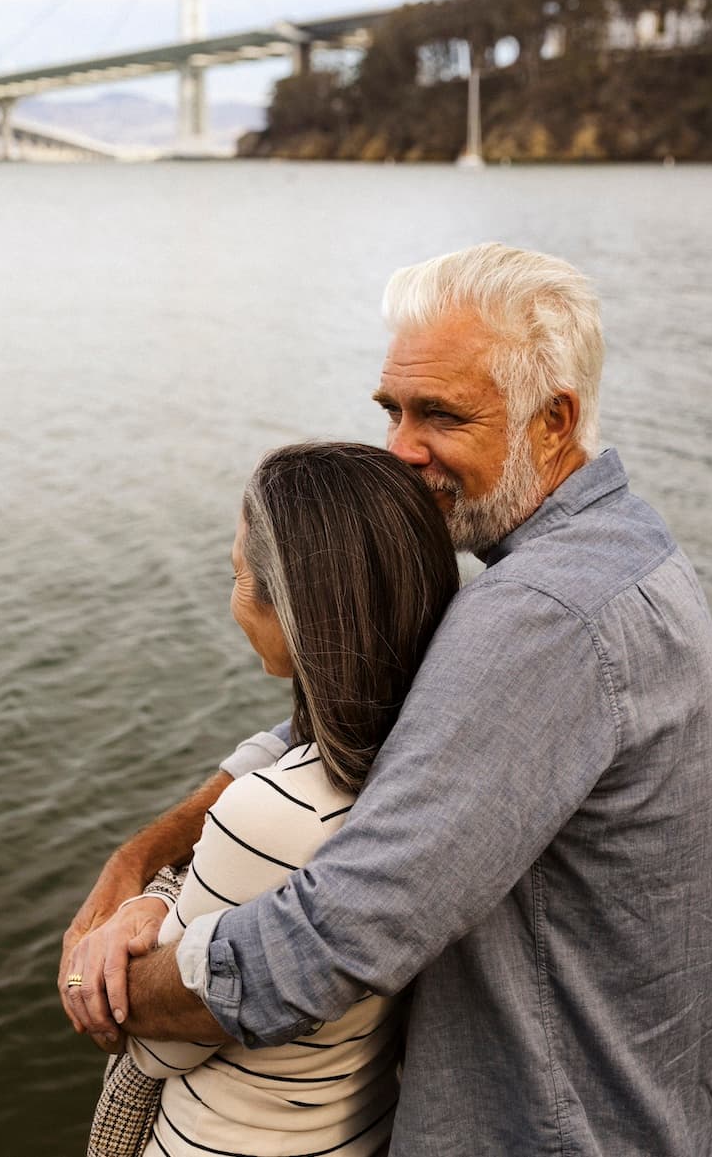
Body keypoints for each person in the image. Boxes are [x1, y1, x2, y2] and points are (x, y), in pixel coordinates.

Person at [62, 243, 712, 1157]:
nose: (402, 451)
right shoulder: (616, 547)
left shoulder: (541, 615)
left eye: (441, 416)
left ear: (553, 420)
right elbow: (359, 720)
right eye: (393, 410)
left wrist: (108, 988)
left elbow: (335, 936)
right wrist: (137, 860)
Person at [75, 441, 460, 1155]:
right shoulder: (427, 771)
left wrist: (149, 902)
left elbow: (160, 1042)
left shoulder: (272, 813)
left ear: (292, 609)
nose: (232, 602)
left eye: (237, 576)